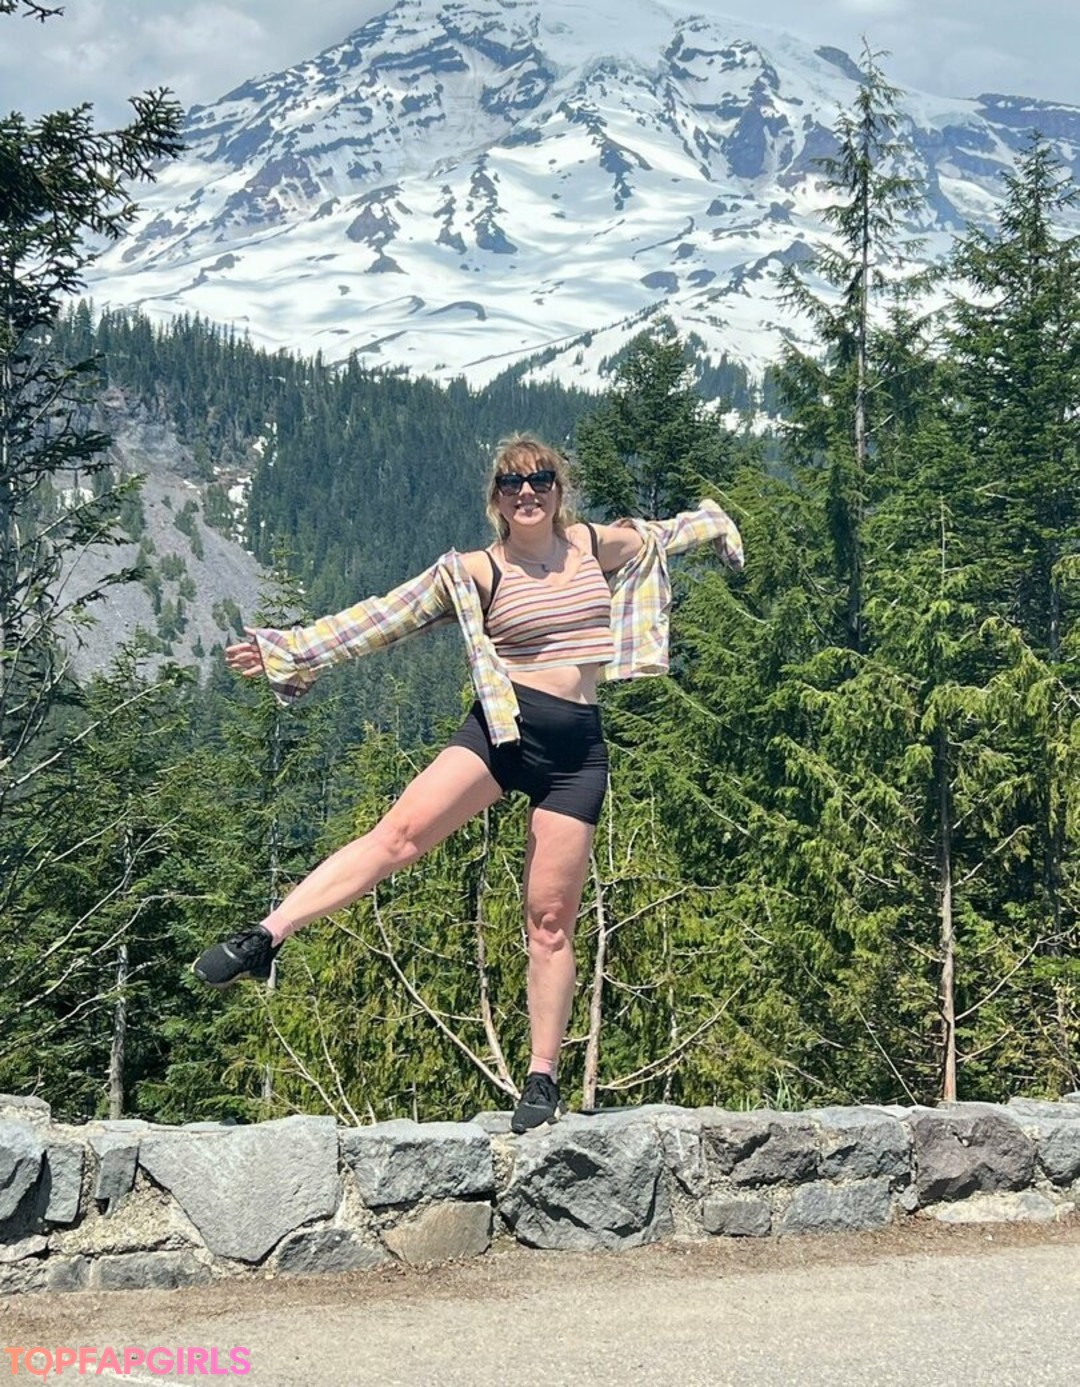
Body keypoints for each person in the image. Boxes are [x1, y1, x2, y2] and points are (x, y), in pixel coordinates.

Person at [192, 435, 744, 1133]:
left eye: (539, 479)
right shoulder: (474, 572)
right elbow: (380, 619)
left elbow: (662, 533)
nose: (527, 492)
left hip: (577, 752)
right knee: (397, 837)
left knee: (549, 924)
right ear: (497, 499)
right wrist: (291, 649)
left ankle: (541, 1078)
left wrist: (714, 523)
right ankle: (265, 937)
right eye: (512, 483)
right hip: (503, 729)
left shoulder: (591, 545)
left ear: (558, 489)